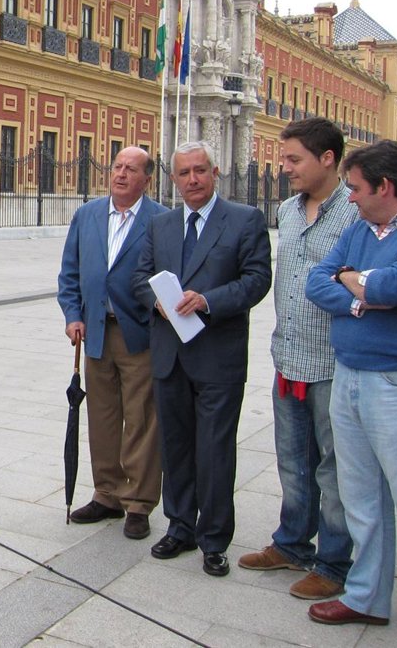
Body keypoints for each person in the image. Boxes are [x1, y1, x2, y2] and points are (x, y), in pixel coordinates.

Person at [305, 140, 397, 645]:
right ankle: (366, 596)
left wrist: (353, 280)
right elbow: (316, 282)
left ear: (384, 187)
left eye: (355, 188)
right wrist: (359, 294)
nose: (350, 196)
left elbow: (396, 286)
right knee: (361, 498)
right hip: (349, 376)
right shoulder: (358, 230)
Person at [133, 140, 271, 577]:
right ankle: (180, 526)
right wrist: (156, 302)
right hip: (170, 355)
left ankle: (214, 539)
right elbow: (140, 277)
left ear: (215, 172)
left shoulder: (245, 220)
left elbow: (257, 279)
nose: (192, 179)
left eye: (200, 170)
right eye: (184, 173)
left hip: (218, 356)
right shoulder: (160, 225)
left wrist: (209, 300)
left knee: (214, 451)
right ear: (174, 179)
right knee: (174, 447)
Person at [238, 118, 357, 600]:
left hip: (333, 363)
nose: (284, 167)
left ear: (327, 159)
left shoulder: (355, 213)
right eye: (283, 157)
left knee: (335, 468)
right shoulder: (287, 210)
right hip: (288, 356)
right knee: (293, 462)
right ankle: (291, 543)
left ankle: (334, 562)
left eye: (294, 159)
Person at [57, 146, 168, 540]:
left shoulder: (160, 220)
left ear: (147, 179)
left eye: (131, 169)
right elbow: (70, 272)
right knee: (102, 417)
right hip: (95, 332)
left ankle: (138, 501)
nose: (120, 174)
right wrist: (73, 314)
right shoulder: (87, 215)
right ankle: (107, 493)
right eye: (117, 166)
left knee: (141, 419)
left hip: (139, 333)